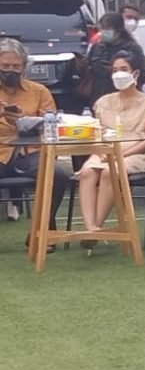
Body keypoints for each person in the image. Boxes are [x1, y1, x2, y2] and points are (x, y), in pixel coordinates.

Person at [75, 51, 145, 243]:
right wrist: (101, 151)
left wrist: (119, 155)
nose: (118, 74)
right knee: (87, 172)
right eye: (115, 70)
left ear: (135, 73)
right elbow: (96, 134)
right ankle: (90, 227)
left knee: (110, 172)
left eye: (123, 69)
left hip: (136, 153)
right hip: (104, 150)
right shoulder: (103, 102)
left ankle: (95, 230)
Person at [0, 38, 68, 238]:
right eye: (5, 66)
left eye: (16, 66)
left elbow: (52, 127)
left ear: (24, 67)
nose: (11, 70)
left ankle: (44, 231)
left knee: (57, 174)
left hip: (30, 153)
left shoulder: (39, 91)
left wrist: (24, 122)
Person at [83, 12, 145, 106]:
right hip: (99, 99)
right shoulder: (97, 47)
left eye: (107, 29)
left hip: (125, 100)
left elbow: (144, 75)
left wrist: (120, 73)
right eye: (102, 28)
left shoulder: (132, 48)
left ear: (118, 30)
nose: (104, 32)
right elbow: (88, 67)